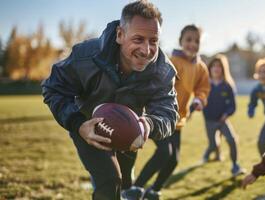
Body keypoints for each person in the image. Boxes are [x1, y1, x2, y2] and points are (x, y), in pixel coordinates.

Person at [41, 1, 179, 199]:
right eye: (138, 39)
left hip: (130, 131)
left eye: (153, 41)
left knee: (125, 184)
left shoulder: (163, 71)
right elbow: (54, 88)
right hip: (88, 125)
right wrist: (78, 124)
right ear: (120, 35)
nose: (147, 49)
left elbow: (168, 112)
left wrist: (150, 123)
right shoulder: (86, 56)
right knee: (109, 180)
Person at [126, 24, 210, 199]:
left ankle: (154, 190)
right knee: (165, 152)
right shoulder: (172, 61)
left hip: (178, 122)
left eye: (197, 41)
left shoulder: (201, 67)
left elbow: (203, 87)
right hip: (159, 116)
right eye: (188, 40)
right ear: (181, 41)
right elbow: (158, 84)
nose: (192, 44)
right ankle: (135, 189)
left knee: (174, 160)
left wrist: (199, 99)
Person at [202, 54, 245, 176]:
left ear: (223, 69)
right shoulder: (205, 84)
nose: (216, 69)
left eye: (219, 66)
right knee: (213, 144)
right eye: (214, 66)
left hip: (222, 120)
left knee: (232, 140)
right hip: (209, 121)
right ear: (210, 68)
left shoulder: (228, 86)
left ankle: (235, 166)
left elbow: (233, 106)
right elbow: (199, 99)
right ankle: (209, 153)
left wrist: (226, 114)